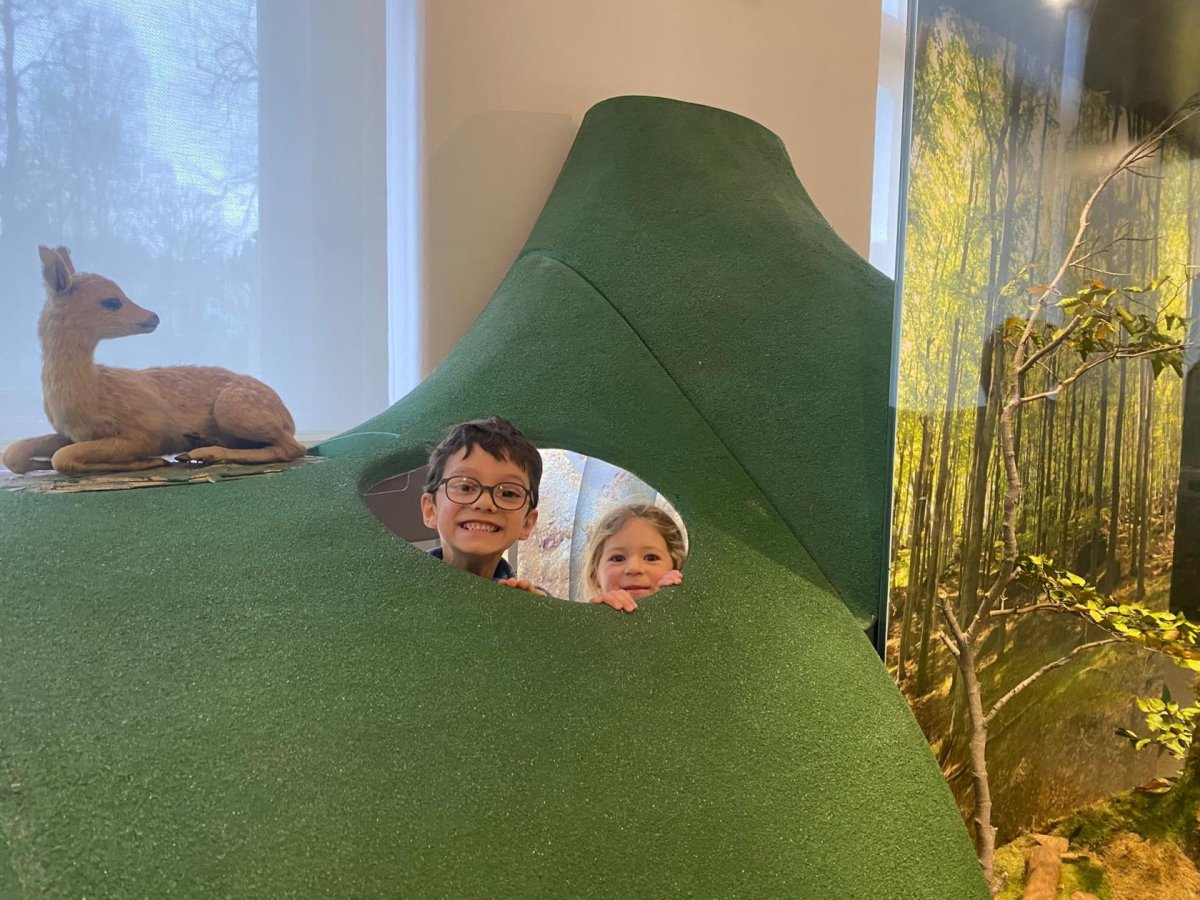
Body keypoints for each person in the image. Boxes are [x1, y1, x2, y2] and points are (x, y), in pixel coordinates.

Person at [420, 416, 546, 595]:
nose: (485, 503)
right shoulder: (397, 589)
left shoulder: (534, 600)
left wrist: (538, 610)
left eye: (508, 493)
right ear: (430, 510)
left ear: (527, 523)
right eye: (465, 487)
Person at [584, 503, 686, 613]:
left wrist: (671, 604)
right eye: (618, 559)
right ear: (595, 577)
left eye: (651, 558)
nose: (634, 568)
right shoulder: (590, 619)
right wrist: (598, 616)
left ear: (676, 567)